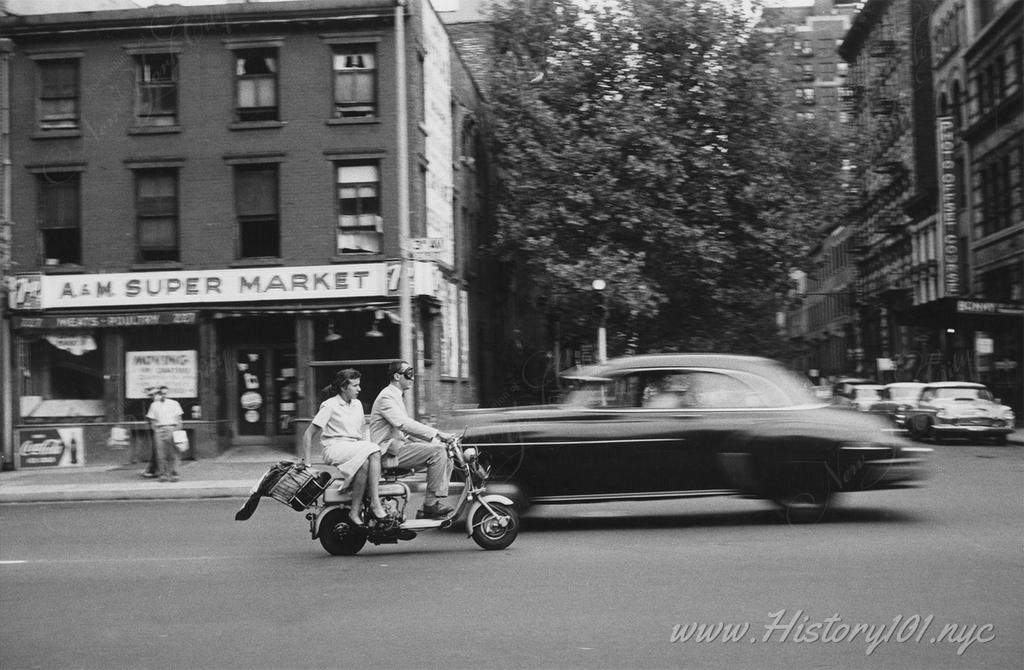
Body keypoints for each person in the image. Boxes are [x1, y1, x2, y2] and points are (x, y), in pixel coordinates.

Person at [369, 361, 455, 519]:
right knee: (438, 453)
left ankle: (432, 502)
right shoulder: (387, 397)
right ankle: (429, 507)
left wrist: (435, 441)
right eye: (409, 373)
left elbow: (405, 431)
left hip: (398, 447)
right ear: (396, 376)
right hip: (387, 452)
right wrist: (438, 433)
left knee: (446, 456)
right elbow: (404, 424)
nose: (412, 378)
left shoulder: (395, 396)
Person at [302, 369, 389, 526]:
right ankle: (375, 503)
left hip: (353, 447)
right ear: (343, 387)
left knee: (366, 464)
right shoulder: (329, 405)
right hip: (334, 448)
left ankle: (354, 512)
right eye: (355, 386)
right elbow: (308, 434)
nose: (359, 389)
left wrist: (369, 446)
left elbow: (362, 431)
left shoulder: (357, 404)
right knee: (375, 451)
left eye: (359, 385)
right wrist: (307, 465)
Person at [145, 385, 184, 482]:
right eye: (161, 393)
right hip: (160, 429)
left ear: (168, 394)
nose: (163, 395)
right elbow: (152, 419)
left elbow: (179, 419)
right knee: (161, 453)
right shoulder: (154, 405)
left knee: (173, 453)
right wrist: (156, 429)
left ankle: (175, 474)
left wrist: (178, 430)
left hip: (172, 428)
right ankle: (163, 474)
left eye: (165, 393)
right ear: (158, 394)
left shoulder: (174, 403)